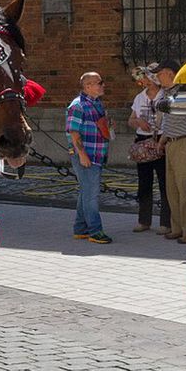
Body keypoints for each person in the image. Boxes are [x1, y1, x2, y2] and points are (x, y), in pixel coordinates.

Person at [154, 59, 186, 244]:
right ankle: (178, 228)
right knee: (173, 189)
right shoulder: (168, 93)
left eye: (160, 73)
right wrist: (162, 140)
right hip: (173, 143)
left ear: (170, 73)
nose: (157, 77)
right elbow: (169, 121)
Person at [66, 71, 113, 245]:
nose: (103, 85)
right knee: (91, 194)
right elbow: (73, 132)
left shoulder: (97, 104)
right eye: (99, 82)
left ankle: (80, 228)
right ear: (87, 87)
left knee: (86, 191)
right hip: (87, 156)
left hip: (97, 154)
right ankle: (95, 230)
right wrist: (82, 155)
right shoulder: (77, 105)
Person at [128, 64, 169, 234]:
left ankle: (166, 222)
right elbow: (130, 120)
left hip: (161, 138)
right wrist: (138, 122)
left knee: (164, 182)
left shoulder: (164, 96)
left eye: (146, 78)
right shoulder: (139, 98)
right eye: (142, 79)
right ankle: (144, 220)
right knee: (144, 182)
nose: (144, 82)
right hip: (143, 140)